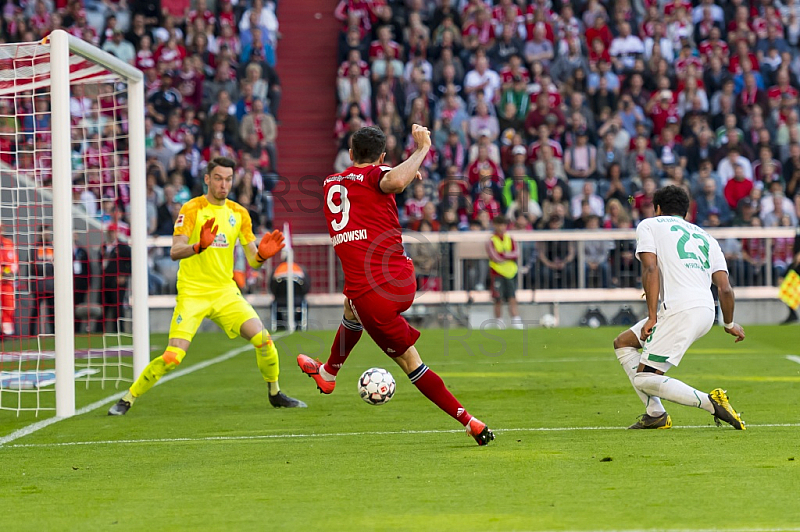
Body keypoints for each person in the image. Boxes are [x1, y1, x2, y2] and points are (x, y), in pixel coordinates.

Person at [297, 125, 494, 446]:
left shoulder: (329, 183)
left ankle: (469, 421)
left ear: (349, 154)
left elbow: (390, 179)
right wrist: (418, 153)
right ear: (383, 157)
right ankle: (329, 373)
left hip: (375, 295)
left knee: (410, 363)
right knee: (350, 306)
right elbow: (390, 179)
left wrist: (419, 152)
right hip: (401, 280)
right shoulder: (380, 176)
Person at [109, 157, 304, 415]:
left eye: (228, 179)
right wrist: (198, 246)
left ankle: (275, 393)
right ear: (207, 179)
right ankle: (127, 399)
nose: (224, 184)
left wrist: (263, 256)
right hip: (193, 294)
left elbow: (253, 261)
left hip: (225, 292)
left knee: (264, 340)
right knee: (172, 357)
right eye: (219, 178)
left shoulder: (239, 213)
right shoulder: (192, 209)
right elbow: (175, 251)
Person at [612, 185, 746, 430]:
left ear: (658, 208)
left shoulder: (649, 225)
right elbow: (725, 288)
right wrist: (728, 323)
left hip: (679, 310)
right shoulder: (707, 237)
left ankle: (711, 402)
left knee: (644, 378)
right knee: (623, 343)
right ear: (687, 212)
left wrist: (652, 317)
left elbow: (650, 268)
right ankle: (655, 414)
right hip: (706, 310)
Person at [486, 215, 522, 329]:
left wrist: (503, 254)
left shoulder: (510, 238)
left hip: (510, 272)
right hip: (497, 273)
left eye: (503, 225)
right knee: (498, 299)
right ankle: (499, 322)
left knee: (512, 297)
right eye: (499, 224)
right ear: (494, 225)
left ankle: (516, 321)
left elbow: (516, 253)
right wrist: (508, 255)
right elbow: (495, 257)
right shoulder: (491, 240)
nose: (502, 227)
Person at [0, 223, 18, 336]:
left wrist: (6, 273)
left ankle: (6, 333)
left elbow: (14, 263)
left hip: (6, 282)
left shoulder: (8, 243)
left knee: (9, 306)